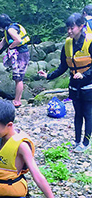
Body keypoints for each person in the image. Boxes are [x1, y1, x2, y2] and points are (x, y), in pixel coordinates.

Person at [38, 13, 92, 153]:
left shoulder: (90, 42)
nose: (69, 31)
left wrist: (84, 74)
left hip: (88, 85)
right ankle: (76, 140)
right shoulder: (67, 44)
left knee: (88, 113)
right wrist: (48, 76)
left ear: (81, 26)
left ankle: (86, 142)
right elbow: (63, 66)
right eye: (67, 28)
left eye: (72, 28)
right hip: (74, 85)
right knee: (77, 113)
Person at [0, 14, 30, 108]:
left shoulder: (10, 30)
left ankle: (17, 101)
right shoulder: (11, 29)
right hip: (23, 54)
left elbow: (18, 40)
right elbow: (0, 45)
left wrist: (10, 47)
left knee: (18, 78)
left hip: (20, 55)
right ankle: (18, 99)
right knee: (18, 78)